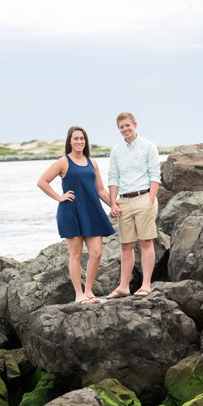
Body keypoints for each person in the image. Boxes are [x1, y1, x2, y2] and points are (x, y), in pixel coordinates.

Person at [37, 126, 116, 304]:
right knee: (76, 254)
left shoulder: (92, 162)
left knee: (96, 253)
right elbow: (42, 181)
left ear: (85, 141)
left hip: (92, 211)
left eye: (82, 138)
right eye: (76, 139)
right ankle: (78, 294)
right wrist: (59, 197)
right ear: (70, 141)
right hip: (71, 211)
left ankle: (88, 291)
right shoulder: (63, 162)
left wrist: (114, 205)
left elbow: (100, 190)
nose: (79, 141)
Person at [106, 111, 161, 298]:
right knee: (125, 245)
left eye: (127, 125)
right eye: (121, 127)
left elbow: (155, 175)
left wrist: (150, 200)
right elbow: (113, 178)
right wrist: (113, 203)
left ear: (135, 125)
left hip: (143, 197)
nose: (125, 129)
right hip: (124, 201)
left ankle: (146, 285)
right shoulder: (116, 150)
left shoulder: (148, 146)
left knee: (146, 242)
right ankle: (123, 286)